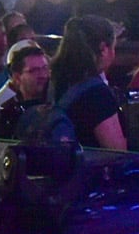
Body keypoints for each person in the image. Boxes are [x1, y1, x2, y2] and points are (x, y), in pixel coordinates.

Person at [47, 15, 127, 151]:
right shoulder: (97, 94)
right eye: (114, 47)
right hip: (87, 169)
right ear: (103, 49)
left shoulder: (54, 81)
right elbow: (117, 151)